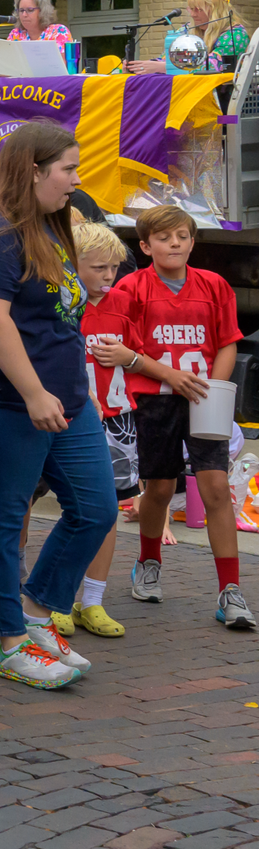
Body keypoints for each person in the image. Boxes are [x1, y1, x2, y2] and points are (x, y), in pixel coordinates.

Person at [0, 120, 116, 690]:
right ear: (33, 170)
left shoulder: (50, 220)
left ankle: (36, 612)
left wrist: (77, 386)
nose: (77, 179)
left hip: (65, 397)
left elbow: (60, 316)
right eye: (68, 168)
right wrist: (33, 392)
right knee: (4, 514)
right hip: (1, 399)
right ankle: (10, 640)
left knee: (96, 508)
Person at [104, 204, 249, 628]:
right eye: (165, 237)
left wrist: (213, 389)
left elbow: (227, 342)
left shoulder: (214, 285)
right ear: (146, 246)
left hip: (202, 397)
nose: (175, 243)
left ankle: (230, 589)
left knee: (216, 487)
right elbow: (125, 350)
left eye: (183, 236)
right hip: (154, 399)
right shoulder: (131, 288)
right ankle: (149, 561)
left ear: (192, 242)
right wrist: (170, 376)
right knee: (161, 488)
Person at [61, 218, 137, 639]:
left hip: (116, 417)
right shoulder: (59, 303)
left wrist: (130, 357)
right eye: (99, 268)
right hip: (66, 415)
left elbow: (142, 353)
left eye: (114, 268)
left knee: (107, 509)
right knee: (41, 502)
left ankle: (92, 599)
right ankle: (46, 597)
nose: (109, 276)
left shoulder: (124, 303)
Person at [127, 0, 248, 76]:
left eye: (198, 10)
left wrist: (165, 68)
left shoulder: (236, 35)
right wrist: (137, 67)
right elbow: (165, 58)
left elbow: (213, 66)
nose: (193, 14)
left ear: (216, 11)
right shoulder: (187, 30)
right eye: (191, 9)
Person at [0, 0, 78, 76]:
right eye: (21, 10)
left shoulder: (58, 32)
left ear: (42, 11)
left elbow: (64, 68)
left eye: (30, 10)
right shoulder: (15, 34)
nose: (24, 15)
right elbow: (10, 71)